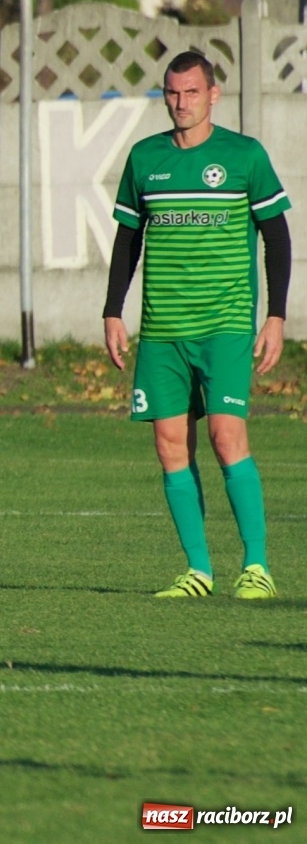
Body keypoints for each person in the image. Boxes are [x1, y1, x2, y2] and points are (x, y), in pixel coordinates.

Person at [103, 50, 291, 600]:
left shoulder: (244, 156)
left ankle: (256, 566)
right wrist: (114, 310)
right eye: (171, 93)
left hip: (227, 324)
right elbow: (127, 240)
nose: (180, 103)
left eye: (190, 92)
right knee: (168, 445)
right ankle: (199, 571)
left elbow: (276, 238)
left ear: (213, 95)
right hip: (162, 331)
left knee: (225, 435)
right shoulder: (145, 159)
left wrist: (275, 317)